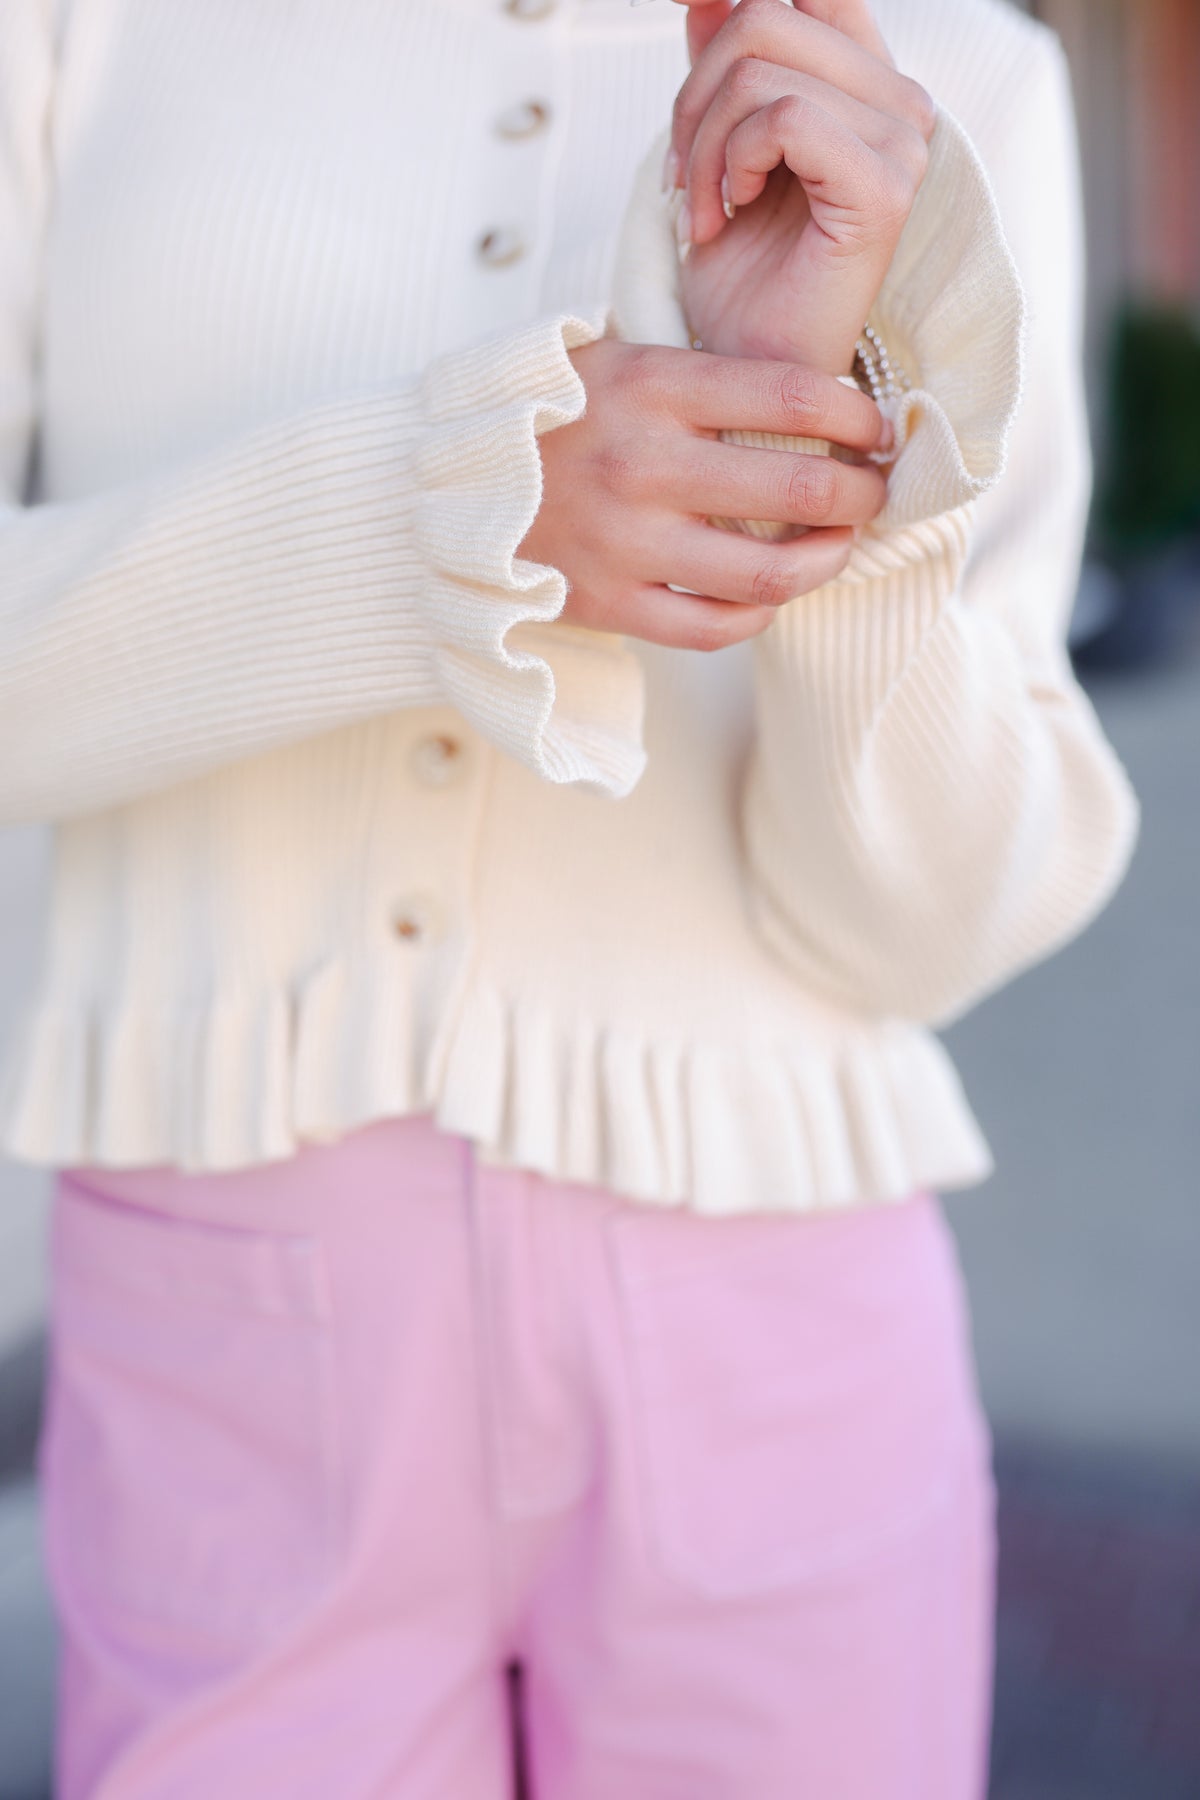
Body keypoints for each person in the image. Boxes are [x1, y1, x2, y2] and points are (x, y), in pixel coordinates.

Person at [0, 0, 1137, 1794]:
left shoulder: (954, 78)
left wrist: (830, 485)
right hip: (226, 1328)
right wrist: (443, 522)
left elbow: (922, 934)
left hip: (774, 1329)